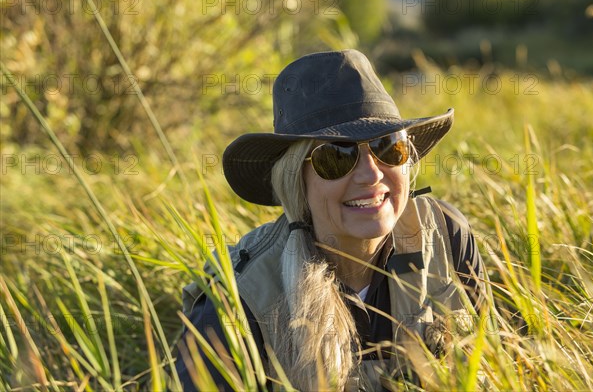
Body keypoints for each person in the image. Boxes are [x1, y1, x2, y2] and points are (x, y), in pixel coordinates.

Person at [176, 49, 487, 391]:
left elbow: (498, 366)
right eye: (337, 156)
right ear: (296, 179)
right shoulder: (241, 296)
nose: (371, 175)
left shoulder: (447, 234)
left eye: (388, 146)